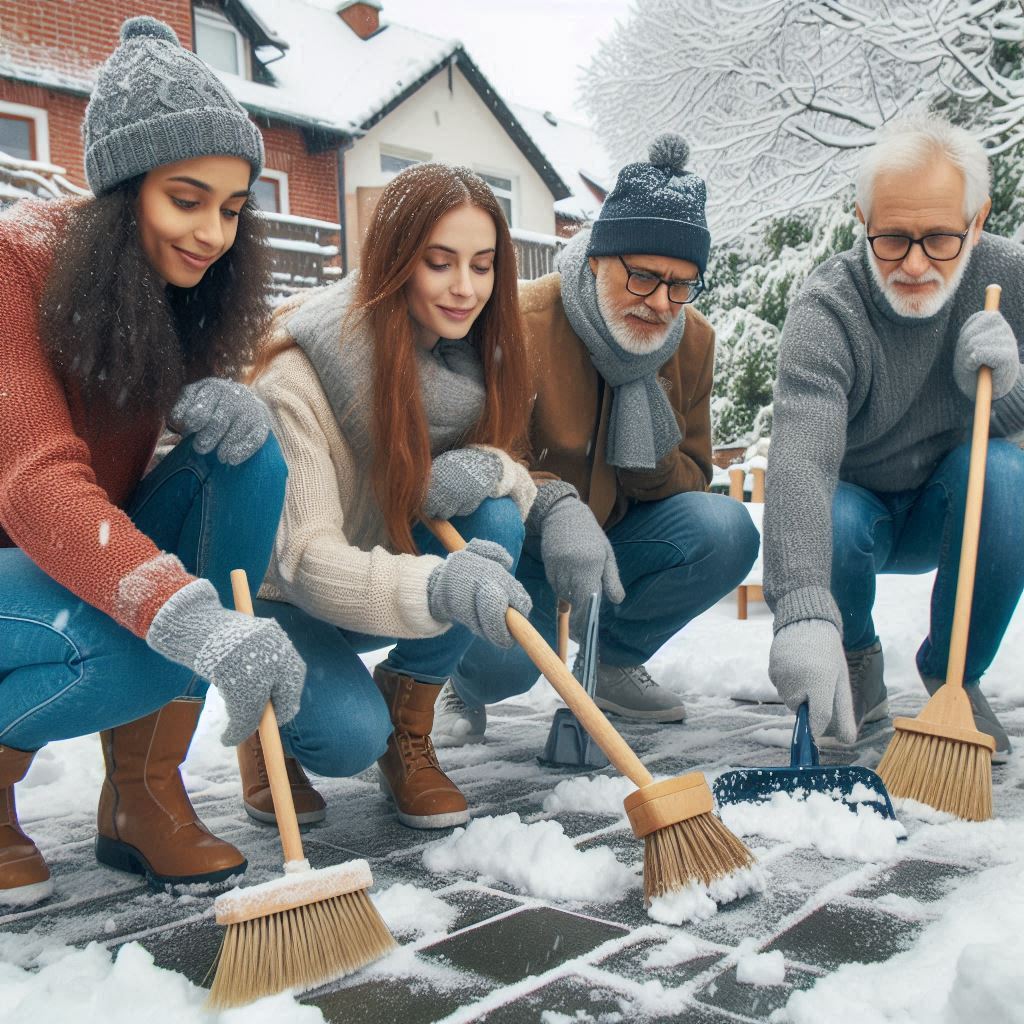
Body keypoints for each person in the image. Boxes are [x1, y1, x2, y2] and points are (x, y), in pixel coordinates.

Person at [0, 17, 310, 907]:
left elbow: (141, 473)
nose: (213, 231)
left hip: (69, 552)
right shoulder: (14, 263)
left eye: (233, 206)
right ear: (122, 189)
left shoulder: (179, 282)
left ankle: (143, 794)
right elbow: (34, 479)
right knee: (133, 646)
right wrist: (185, 615)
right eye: (188, 198)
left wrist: (206, 411)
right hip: (12, 551)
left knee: (249, 459)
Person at [434, 134, 760, 743]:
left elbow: (695, 469)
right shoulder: (520, 321)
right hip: (518, 540)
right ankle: (461, 678)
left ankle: (610, 659)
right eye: (642, 277)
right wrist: (556, 513)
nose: (662, 303)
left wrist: (646, 448)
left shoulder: (692, 342)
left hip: (618, 542)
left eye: (681, 284)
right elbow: (480, 455)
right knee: (507, 668)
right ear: (595, 259)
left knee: (726, 530)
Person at [246, 162, 536, 830]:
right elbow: (307, 562)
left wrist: (487, 469)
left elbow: (516, 475)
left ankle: (409, 720)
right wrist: (440, 590)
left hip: (380, 574)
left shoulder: (466, 363)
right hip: (283, 599)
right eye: (440, 263)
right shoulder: (299, 375)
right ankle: (262, 735)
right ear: (396, 261)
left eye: (484, 265)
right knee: (345, 738)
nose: (466, 289)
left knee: (494, 517)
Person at [764, 114, 1024, 759]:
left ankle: (953, 675)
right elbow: (800, 459)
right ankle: (855, 658)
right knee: (835, 511)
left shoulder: (1011, 278)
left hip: (957, 505)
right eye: (892, 238)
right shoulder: (830, 305)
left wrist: (1009, 387)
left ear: (978, 219)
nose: (913, 264)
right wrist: (801, 609)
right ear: (862, 218)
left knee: (1005, 475)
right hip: (860, 516)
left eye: (940, 238)